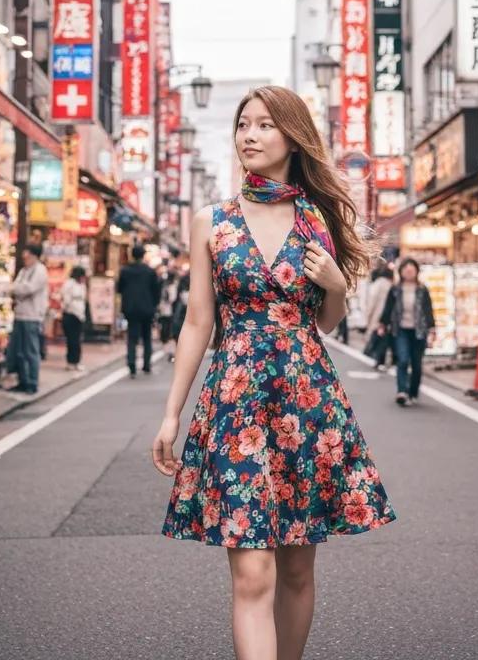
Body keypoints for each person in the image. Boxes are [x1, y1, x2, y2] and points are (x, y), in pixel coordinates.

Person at [152, 85, 396, 660]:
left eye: (265, 125)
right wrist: (171, 414)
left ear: (292, 136)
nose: (250, 135)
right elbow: (197, 322)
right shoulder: (211, 221)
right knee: (252, 574)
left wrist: (336, 287)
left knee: (296, 569)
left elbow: (326, 323)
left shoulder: (317, 220)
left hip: (305, 400)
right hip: (236, 401)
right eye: (244, 124)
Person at [379, 257, 436, 407]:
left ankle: (413, 392)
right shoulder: (395, 289)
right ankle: (402, 391)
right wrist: (382, 324)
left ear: (417, 271)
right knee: (402, 359)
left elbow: (428, 310)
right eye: (406, 270)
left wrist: (432, 329)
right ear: (401, 272)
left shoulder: (422, 290)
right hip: (400, 329)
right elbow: (388, 308)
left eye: (412, 269)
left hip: (419, 331)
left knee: (416, 364)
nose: (409, 272)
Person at [8, 243, 48, 395]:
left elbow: (28, 288)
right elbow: (17, 287)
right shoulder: (24, 271)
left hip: (33, 316)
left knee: (31, 350)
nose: (24, 257)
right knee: (19, 350)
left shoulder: (40, 270)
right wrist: (15, 288)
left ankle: (32, 382)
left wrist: (14, 288)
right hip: (20, 314)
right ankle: (22, 381)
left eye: (28, 254)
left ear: (34, 256)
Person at [117, 243, 161, 377]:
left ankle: (131, 364)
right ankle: (146, 364)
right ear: (143, 255)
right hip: (147, 308)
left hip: (130, 308)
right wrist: (154, 305)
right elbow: (156, 291)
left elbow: (119, 288)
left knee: (132, 337)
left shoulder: (125, 271)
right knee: (147, 337)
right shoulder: (150, 272)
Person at [363, 264, 395, 372]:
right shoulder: (392, 285)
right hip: (388, 316)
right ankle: (383, 360)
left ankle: (377, 359)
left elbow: (372, 301)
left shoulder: (378, 284)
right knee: (384, 338)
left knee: (379, 337)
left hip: (377, 315)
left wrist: (368, 316)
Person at [60, 265, 89, 373]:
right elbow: (66, 300)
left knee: (77, 340)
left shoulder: (82, 285)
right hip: (70, 314)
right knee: (71, 340)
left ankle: (76, 361)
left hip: (79, 315)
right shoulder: (69, 284)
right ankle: (71, 361)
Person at [157, 267, 179, 362]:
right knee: (170, 330)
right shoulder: (173, 286)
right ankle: (171, 351)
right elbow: (173, 299)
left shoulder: (164, 284)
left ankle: (169, 349)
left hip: (164, 309)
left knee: (166, 329)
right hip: (171, 311)